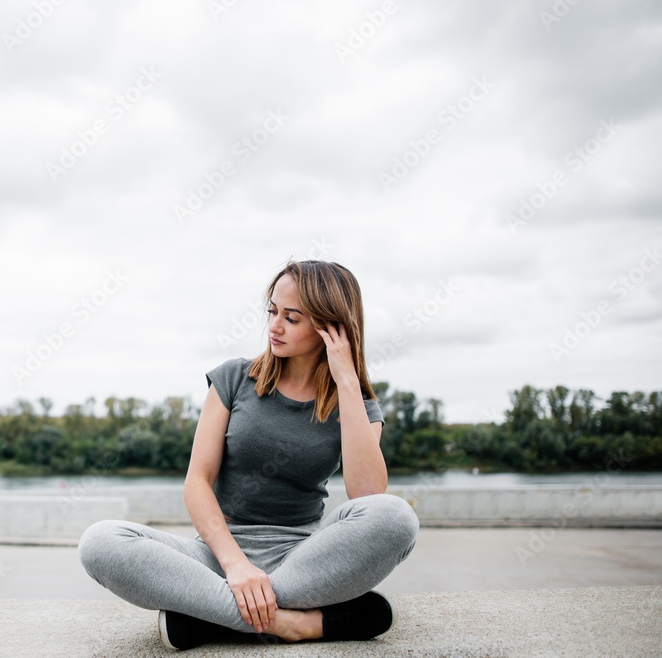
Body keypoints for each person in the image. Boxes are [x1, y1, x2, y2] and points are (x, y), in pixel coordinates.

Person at [77, 259, 419, 650]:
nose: (274, 326)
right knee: (100, 541)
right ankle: (294, 623)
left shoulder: (355, 404)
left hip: (303, 560)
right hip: (215, 557)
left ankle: (211, 618)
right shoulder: (235, 378)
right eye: (272, 311)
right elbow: (197, 482)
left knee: (397, 516)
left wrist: (345, 379)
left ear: (331, 325)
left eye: (292, 318)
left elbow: (368, 493)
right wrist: (236, 566)